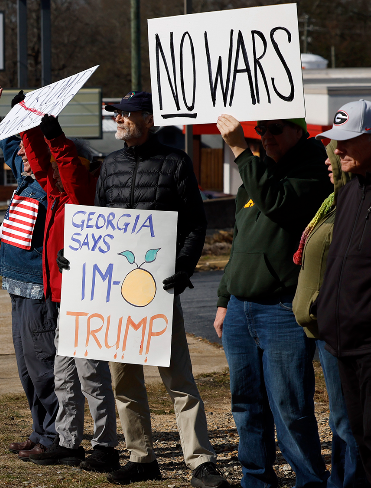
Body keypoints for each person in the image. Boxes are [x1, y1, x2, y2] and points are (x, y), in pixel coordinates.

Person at [97, 91, 227, 487]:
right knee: (123, 380)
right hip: (117, 293)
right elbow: (98, 226)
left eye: (127, 113)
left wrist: (183, 268)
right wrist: (78, 258)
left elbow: (195, 223)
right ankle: (141, 457)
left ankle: (200, 461)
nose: (119, 119)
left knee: (178, 379)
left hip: (159, 292)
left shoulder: (175, 162)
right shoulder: (109, 165)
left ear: (149, 120)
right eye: (116, 114)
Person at [214, 114, 331, 487]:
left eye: (276, 128)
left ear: (300, 130)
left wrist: (238, 148)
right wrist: (223, 298)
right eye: (261, 130)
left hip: (281, 306)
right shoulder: (257, 171)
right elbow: (240, 240)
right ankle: (256, 479)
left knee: (290, 407)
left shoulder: (313, 171)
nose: (267, 136)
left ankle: (309, 480)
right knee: (246, 403)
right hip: (239, 307)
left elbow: (278, 203)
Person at [15, 101, 119, 471]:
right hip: (61, 298)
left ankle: (106, 444)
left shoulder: (80, 194)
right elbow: (42, 164)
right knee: (64, 376)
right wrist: (29, 128)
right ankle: (70, 442)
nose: (55, 170)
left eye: (63, 163)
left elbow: (67, 166)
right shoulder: (58, 196)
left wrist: (55, 135)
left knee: (91, 374)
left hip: (86, 296)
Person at [0, 87, 61, 460]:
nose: (23, 158)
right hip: (14, 286)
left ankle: (54, 437)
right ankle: (38, 430)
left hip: (37, 289)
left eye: (29, 149)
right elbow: (11, 150)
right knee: (27, 370)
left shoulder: (50, 181)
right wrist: (0, 122)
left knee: (44, 367)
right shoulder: (25, 175)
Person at [293, 139, 369, 488]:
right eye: (328, 156)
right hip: (329, 326)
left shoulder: (352, 203)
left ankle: (348, 481)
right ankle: (339, 479)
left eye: (334, 156)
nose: (330, 161)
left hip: (346, 328)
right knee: (343, 419)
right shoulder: (332, 202)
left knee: (347, 422)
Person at [316, 99, 371, 480]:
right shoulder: (350, 193)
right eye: (335, 140)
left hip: (368, 345)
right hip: (340, 343)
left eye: (348, 140)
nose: (338, 149)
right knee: (360, 438)